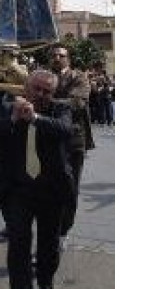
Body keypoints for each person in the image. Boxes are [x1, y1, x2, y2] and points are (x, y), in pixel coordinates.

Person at [0, 70, 74, 289]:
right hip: (17, 190)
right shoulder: (7, 107)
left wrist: (35, 118)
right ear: (26, 86)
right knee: (19, 244)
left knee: (48, 243)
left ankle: (45, 283)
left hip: (51, 189)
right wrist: (12, 119)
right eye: (37, 89)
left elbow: (66, 131)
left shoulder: (60, 109)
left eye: (47, 91)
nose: (41, 94)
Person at [49, 44, 95, 250]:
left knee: (70, 188)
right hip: (48, 139)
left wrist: (47, 100)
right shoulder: (44, 75)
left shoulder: (79, 77)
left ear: (69, 59)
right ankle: (50, 229)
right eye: (54, 55)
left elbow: (77, 102)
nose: (57, 57)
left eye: (61, 55)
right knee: (48, 186)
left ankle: (63, 232)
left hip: (72, 142)